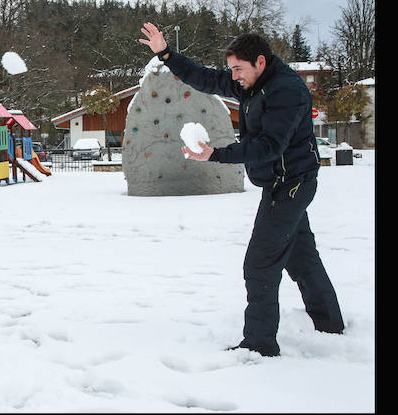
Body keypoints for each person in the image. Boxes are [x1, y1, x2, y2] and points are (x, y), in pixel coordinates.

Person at [139, 22, 344, 357]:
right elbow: (204, 77)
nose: (233, 76)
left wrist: (216, 154)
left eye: (238, 69)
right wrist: (165, 53)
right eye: (231, 69)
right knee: (302, 259)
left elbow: (269, 145)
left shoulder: (286, 91)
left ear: (260, 62)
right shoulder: (250, 84)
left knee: (259, 264)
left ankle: (260, 344)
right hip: (279, 184)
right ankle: (330, 324)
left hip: (292, 185)